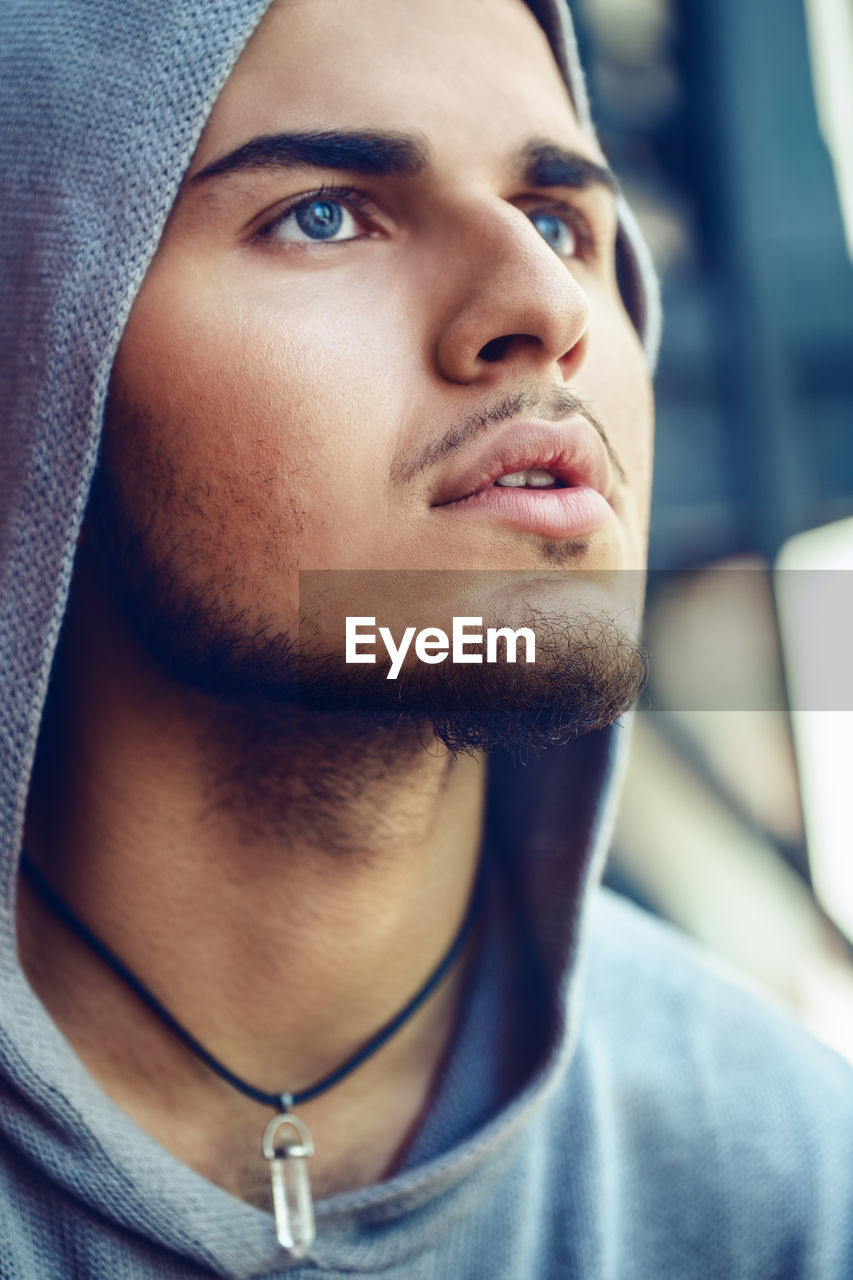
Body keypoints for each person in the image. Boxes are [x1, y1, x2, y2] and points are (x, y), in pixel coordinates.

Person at [1, 0, 851, 1276]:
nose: (542, 303)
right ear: (43, 348)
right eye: (324, 213)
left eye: (561, 218)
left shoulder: (784, 1176)